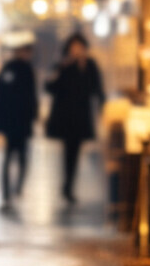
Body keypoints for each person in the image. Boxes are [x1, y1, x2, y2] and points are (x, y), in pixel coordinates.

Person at [45, 32, 105, 204]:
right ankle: (67, 185)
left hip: (80, 116)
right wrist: (63, 67)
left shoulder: (90, 65)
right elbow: (50, 87)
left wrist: (102, 106)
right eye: (74, 47)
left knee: (74, 151)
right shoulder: (63, 65)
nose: (77, 50)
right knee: (68, 152)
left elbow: (97, 88)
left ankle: (68, 185)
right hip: (64, 116)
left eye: (80, 47)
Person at [0, 38, 38, 206]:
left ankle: (16, 189)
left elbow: (32, 97)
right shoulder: (10, 68)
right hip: (15, 122)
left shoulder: (22, 69)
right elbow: (1, 94)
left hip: (19, 121)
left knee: (18, 157)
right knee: (12, 156)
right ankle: (8, 192)